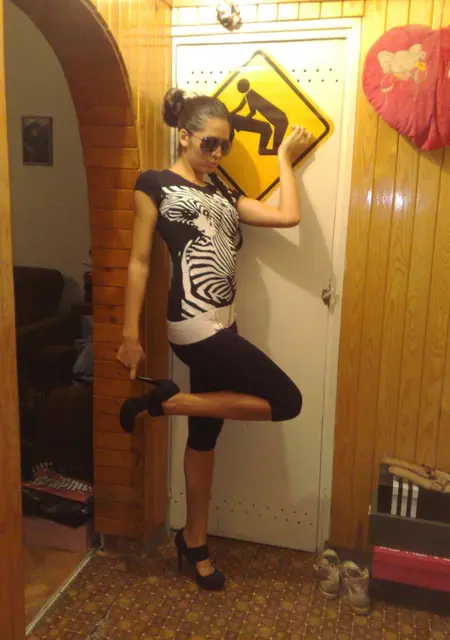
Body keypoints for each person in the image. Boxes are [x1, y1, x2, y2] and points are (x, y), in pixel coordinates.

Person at [117, 87, 313, 591]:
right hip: (193, 324)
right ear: (184, 137)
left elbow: (287, 216)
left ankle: (194, 541)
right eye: (209, 143)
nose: (218, 153)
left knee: (205, 437)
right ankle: (165, 403)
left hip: (227, 323)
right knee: (287, 401)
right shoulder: (155, 184)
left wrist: (285, 158)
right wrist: (129, 334)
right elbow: (138, 261)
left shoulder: (223, 191)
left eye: (225, 145)